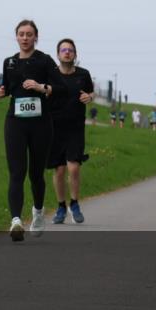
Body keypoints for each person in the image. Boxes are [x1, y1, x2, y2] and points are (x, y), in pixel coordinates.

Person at [0, 20, 67, 240]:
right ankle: (16, 220)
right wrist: (1, 92)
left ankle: (37, 211)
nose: (25, 38)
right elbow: (7, 87)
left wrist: (40, 87)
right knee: (17, 172)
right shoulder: (9, 62)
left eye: (29, 34)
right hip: (15, 121)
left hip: (41, 123)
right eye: (21, 34)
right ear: (16, 37)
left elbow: (61, 87)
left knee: (36, 174)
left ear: (36, 37)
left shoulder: (44, 60)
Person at [48, 39, 94, 224]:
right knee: (59, 170)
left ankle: (74, 203)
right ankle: (61, 207)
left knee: (73, 167)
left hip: (75, 127)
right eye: (63, 50)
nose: (67, 52)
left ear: (75, 54)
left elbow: (90, 93)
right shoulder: (50, 75)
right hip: (54, 127)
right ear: (58, 54)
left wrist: (89, 96)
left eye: (70, 50)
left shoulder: (83, 74)